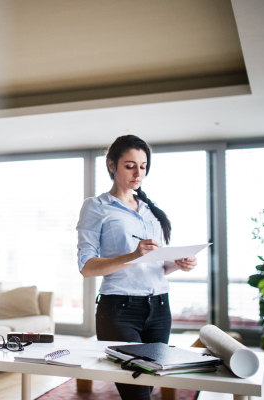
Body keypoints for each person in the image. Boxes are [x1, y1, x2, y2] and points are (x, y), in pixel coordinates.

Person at [76, 135, 197, 400]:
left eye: (143, 166)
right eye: (130, 165)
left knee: (147, 387)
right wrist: (132, 254)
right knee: (137, 393)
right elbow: (86, 267)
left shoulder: (150, 211)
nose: (138, 172)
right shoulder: (96, 207)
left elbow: (153, 265)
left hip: (160, 309)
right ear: (112, 165)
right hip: (118, 311)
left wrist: (178, 264)